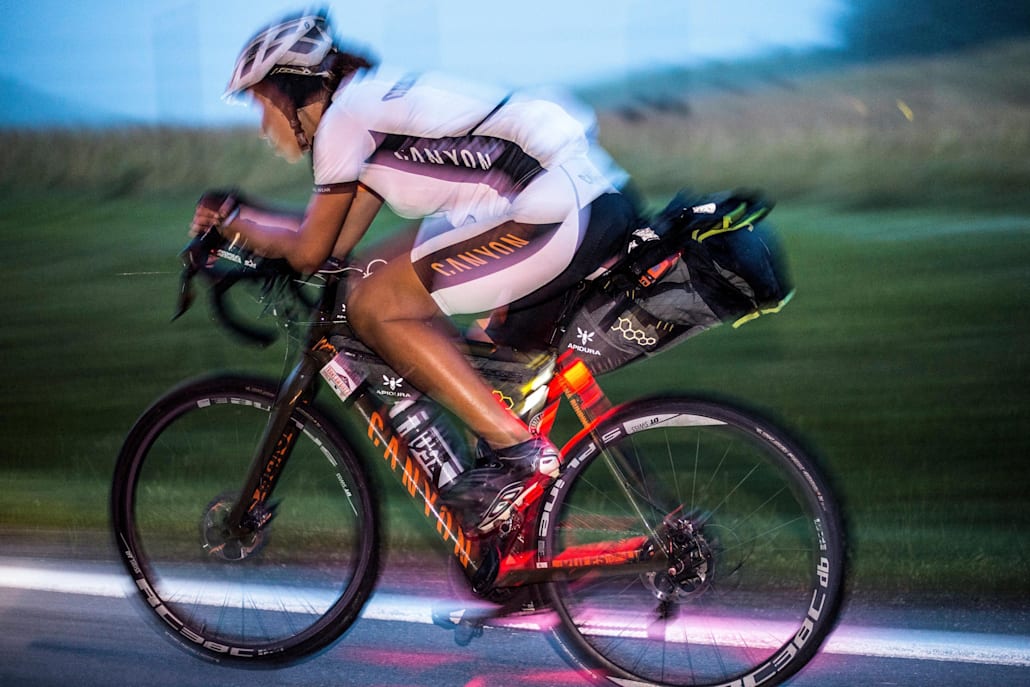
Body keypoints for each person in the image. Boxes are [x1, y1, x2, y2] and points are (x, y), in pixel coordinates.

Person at [190, 8, 638, 536]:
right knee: (391, 296)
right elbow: (335, 242)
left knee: (376, 305)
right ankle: (514, 548)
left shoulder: (344, 122)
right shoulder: (367, 107)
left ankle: (519, 451)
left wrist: (231, 223)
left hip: (552, 211)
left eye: (261, 105)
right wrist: (256, 228)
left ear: (289, 90)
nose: (263, 125)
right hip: (581, 197)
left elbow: (309, 253)